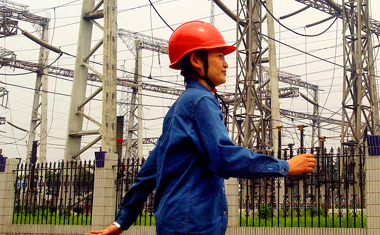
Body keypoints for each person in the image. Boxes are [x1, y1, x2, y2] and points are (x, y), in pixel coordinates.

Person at [85, 21, 316, 235]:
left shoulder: (180, 107)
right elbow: (224, 157)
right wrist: (285, 166)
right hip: (193, 225)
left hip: (176, 223)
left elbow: (150, 170)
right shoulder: (201, 102)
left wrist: (121, 222)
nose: (225, 63)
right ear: (196, 60)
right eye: (219, 55)